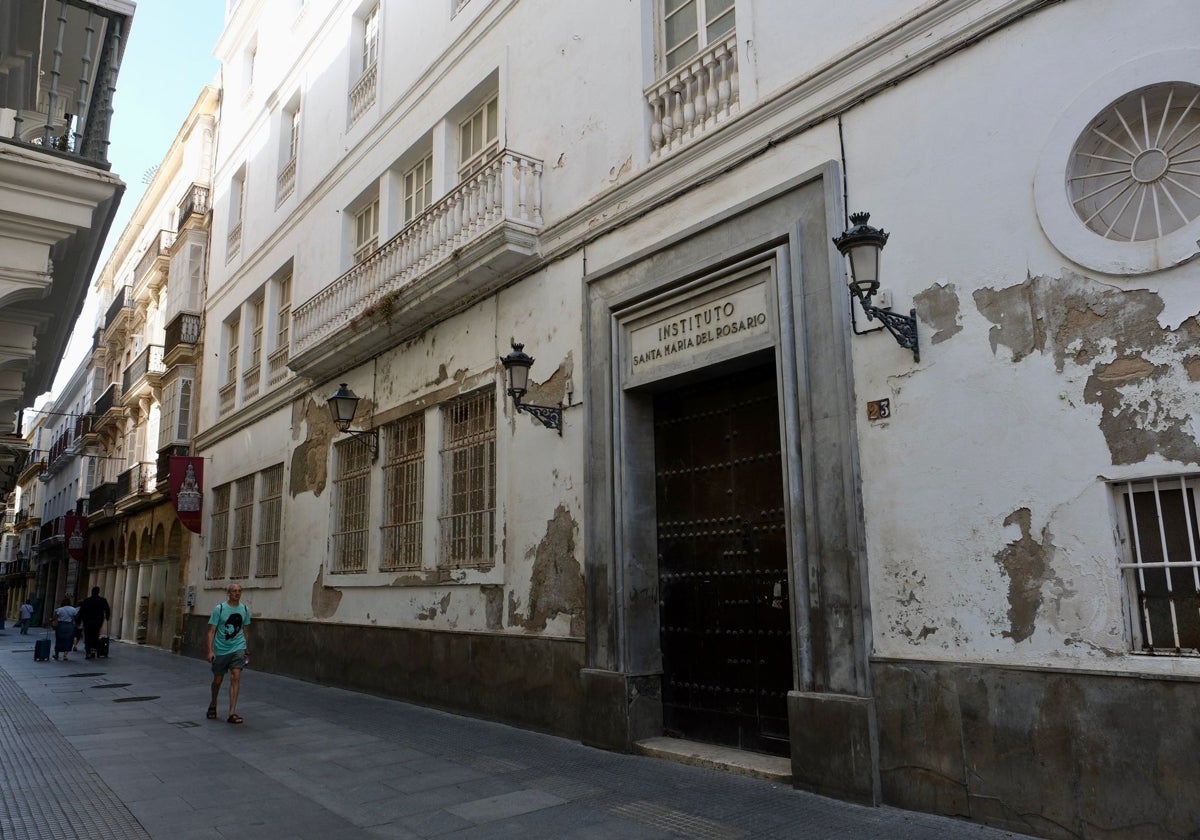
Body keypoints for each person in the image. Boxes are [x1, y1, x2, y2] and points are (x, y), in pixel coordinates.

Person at [206, 583, 251, 725]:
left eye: (239, 591)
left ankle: (232, 713)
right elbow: (211, 631)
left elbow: (246, 630)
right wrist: (210, 650)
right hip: (221, 650)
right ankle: (213, 703)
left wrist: (246, 649)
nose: (237, 593)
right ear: (229, 593)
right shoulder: (219, 609)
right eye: (234, 591)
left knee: (236, 677)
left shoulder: (244, 609)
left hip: (238, 648)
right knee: (217, 681)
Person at [77, 587, 112, 659]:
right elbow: (107, 609)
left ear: (92, 592)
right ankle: (93, 650)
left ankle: (88, 652)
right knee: (95, 636)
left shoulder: (87, 600)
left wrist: (78, 620)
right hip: (98, 621)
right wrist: (107, 617)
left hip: (87, 621)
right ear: (98, 592)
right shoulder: (102, 600)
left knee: (87, 636)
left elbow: (81, 611)